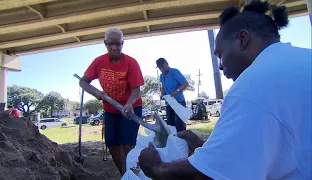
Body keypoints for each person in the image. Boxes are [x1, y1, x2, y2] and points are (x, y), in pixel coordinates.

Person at [138, 1, 311, 180]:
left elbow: (209, 176)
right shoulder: (303, 58)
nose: (220, 66)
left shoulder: (251, 86)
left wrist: (156, 167)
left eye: (220, 55)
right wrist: (201, 146)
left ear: (242, 39)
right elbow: (255, 150)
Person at [79, 27, 144, 175]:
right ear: (105, 44)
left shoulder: (131, 63)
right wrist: (97, 93)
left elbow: (136, 90)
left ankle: (133, 175)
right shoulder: (99, 62)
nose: (114, 47)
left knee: (128, 145)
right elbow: (83, 82)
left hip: (130, 108)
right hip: (110, 110)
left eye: (118, 44)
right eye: (110, 44)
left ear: (122, 44)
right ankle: (124, 174)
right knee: (113, 146)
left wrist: (128, 104)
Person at [156, 58, 189, 132]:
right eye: (160, 68)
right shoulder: (161, 76)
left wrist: (177, 91)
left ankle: (182, 142)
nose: (162, 70)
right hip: (169, 103)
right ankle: (174, 142)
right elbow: (163, 86)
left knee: (180, 125)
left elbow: (185, 84)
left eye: (163, 67)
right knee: (170, 125)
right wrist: (162, 94)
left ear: (166, 64)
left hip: (179, 102)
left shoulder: (174, 72)